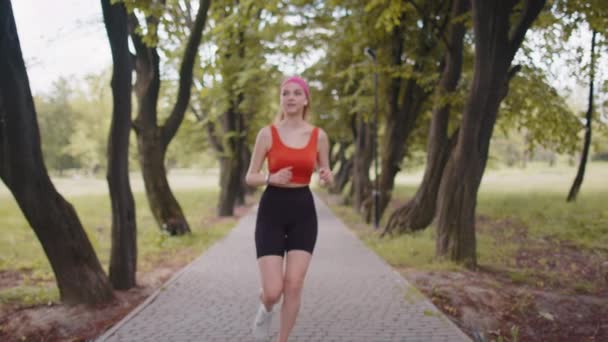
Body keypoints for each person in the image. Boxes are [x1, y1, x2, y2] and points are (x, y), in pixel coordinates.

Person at [245, 75, 333, 341]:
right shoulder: (267, 134)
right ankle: (265, 309)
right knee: (273, 290)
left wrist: (327, 176)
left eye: (297, 93)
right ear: (281, 100)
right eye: (286, 93)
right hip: (272, 210)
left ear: (305, 100)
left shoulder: (318, 136)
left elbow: (324, 169)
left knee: (293, 284)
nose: (291, 97)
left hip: (303, 211)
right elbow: (250, 176)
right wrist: (271, 178)